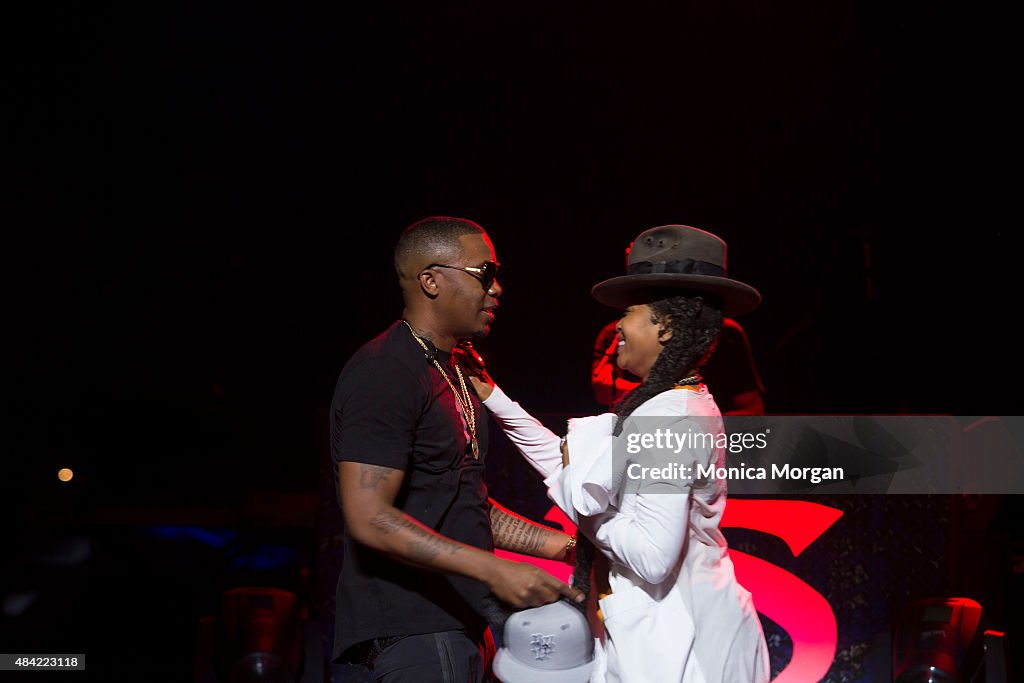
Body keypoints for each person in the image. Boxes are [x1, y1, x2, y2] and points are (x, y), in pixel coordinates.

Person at [470, 224, 771, 682]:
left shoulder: (671, 419)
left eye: (630, 313)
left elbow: (652, 557)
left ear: (665, 327)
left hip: (684, 648)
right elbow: (571, 467)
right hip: (661, 632)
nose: (618, 329)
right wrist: (494, 398)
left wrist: (581, 505)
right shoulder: (665, 404)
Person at [330, 216, 582, 682]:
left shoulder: (450, 371)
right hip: (409, 631)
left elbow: (460, 502)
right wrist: (493, 570)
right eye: (485, 273)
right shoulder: (386, 372)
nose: (498, 289)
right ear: (430, 280)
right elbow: (369, 516)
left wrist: (568, 548)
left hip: (454, 624)